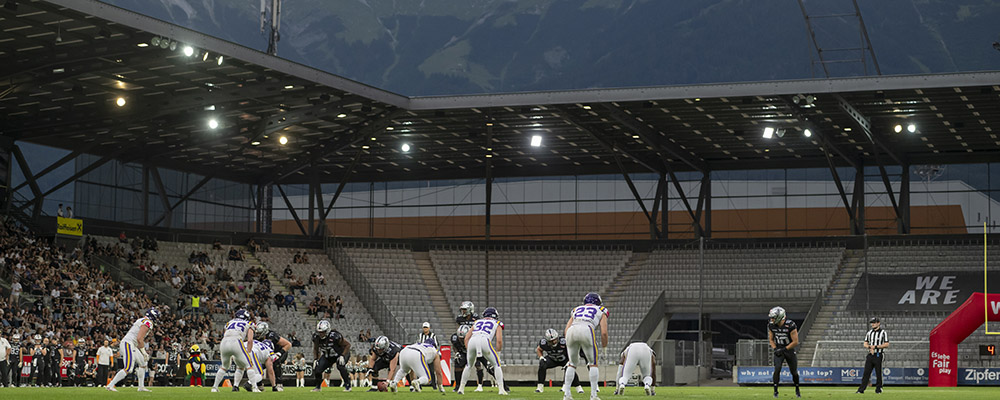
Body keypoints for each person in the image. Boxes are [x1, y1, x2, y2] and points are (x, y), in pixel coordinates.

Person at [563, 292, 609, 400]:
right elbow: (604, 332)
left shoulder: (576, 309)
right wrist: (604, 348)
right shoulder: (602, 310)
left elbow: (566, 329)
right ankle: (593, 395)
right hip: (587, 329)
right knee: (593, 364)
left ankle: (567, 394)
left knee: (572, 363)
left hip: (571, 330)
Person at [456, 307, 506, 395]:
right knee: (496, 364)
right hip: (484, 340)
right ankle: (501, 389)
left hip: (472, 340)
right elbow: (499, 340)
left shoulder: (477, 321)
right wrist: (498, 353)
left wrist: (470, 351)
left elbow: (466, 338)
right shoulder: (497, 323)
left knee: (468, 366)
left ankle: (461, 388)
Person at [106, 308, 159, 392]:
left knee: (143, 363)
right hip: (129, 343)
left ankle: (141, 387)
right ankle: (110, 385)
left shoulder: (142, 320)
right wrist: (144, 352)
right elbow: (139, 339)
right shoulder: (148, 322)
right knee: (128, 368)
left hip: (131, 344)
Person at [211, 309, 262, 392]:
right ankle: (255, 388)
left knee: (224, 367)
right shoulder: (249, 323)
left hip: (224, 342)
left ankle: (214, 387)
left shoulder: (229, 323)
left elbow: (224, 334)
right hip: (236, 341)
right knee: (249, 365)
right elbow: (250, 340)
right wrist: (248, 352)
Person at [767, 306, 800, 399]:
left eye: (773, 317)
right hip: (779, 349)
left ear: (779, 316)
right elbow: (771, 339)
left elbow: (795, 342)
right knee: (777, 368)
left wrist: (784, 349)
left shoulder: (790, 325)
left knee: (794, 372)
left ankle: (797, 389)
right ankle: (775, 391)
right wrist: (775, 349)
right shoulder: (771, 325)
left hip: (789, 349)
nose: (772, 319)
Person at [536, 328, 583, 393]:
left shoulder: (563, 342)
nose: (554, 342)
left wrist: (570, 361)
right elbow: (539, 349)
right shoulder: (544, 343)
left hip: (564, 359)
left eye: (554, 340)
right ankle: (540, 387)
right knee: (542, 364)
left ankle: (578, 388)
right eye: (551, 341)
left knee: (569, 368)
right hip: (552, 359)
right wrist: (541, 357)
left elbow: (573, 351)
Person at [455, 300, 489, 391]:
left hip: (474, 342)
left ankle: (480, 385)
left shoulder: (476, 318)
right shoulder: (459, 319)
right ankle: (458, 386)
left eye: (465, 310)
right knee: (459, 365)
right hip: (464, 344)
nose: (463, 312)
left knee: (478, 365)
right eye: (462, 310)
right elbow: (458, 331)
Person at [311, 319, 352, 392]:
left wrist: (342, 355)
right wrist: (315, 359)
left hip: (340, 354)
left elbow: (348, 345)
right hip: (328, 356)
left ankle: (348, 385)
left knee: (340, 366)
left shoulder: (335, 336)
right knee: (318, 369)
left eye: (323, 332)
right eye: (320, 332)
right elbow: (315, 349)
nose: (321, 334)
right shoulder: (316, 337)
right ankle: (318, 387)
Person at [856, 317, 889, 394]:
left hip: (878, 354)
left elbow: (887, 344)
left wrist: (876, 347)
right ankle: (861, 390)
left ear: (878, 323)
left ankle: (878, 389)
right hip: (870, 355)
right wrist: (869, 347)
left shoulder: (883, 333)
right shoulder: (869, 333)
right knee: (866, 373)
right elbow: (865, 343)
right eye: (872, 323)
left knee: (878, 373)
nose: (872, 324)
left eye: (874, 323)